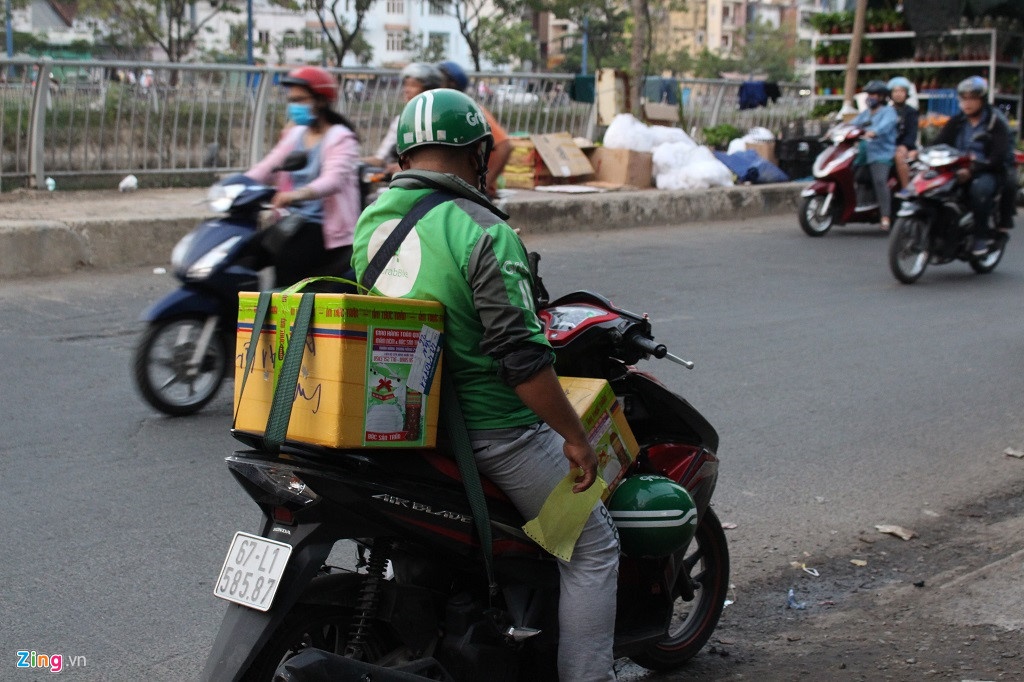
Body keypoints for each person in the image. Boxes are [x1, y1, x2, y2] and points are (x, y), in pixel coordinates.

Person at [351, 89, 619, 681]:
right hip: (494, 433)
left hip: (406, 421)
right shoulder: (484, 231)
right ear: (478, 153)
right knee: (592, 545)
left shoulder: (374, 219)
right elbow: (522, 361)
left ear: (404, 155)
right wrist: (575, 437)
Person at [245, 66, 361, 287]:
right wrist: (240, 184)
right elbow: (270, 164)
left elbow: (333, 180)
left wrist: (295, 195)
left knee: (287, 258)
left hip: (324, 228)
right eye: (291, 101)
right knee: (246, 250)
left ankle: (281, 307)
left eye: (300, 100)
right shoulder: (296, 134)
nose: (294, 106)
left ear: (321, 101)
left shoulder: (341, 137)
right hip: (293, 221)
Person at [934, 76, 1011, 254]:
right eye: (964, 99)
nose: (967, 103)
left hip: (985, 170)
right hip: (956, 167)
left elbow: (998, 156)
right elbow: (940, 142)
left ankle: (980, 236)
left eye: (972, 98)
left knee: (980, 190)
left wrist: (974, 168)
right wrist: (920, 153)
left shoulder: (995, 123)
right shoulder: (957, 122)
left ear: (981, 100)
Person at [436, 60, 512, 199]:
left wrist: (482, 187)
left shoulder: (469, 111)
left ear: (452, 84)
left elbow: (505, 146)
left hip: (468, 193)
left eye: (438, 80)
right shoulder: (442, 112)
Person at [362, 62, 444, 176]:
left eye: (413, 85)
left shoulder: (440, 120)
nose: (406, 90)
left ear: (428, 90)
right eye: (406, 85)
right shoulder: (401, 120)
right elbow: (381, 158)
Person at [851, 80, 898, 230]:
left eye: (873, 94)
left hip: (881, 153)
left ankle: (885, 217)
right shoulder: (865, 113)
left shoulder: (888, 112)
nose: (870, 97)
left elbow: (885, 126)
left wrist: (874, 132)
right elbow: (852, 124)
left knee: (879, 181)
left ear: (882, 97)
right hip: (863, 153)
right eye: (869, 94)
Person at [887, 76, 919, 189]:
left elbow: (912, 133)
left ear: (906, 93)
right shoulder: (886, 111)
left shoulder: (911, 112)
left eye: (901, 91)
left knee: (900, 156)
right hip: (887, 145)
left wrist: (904, 146)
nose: (898, 94)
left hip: (905, 146)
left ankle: (906, 189)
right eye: (895, 91)